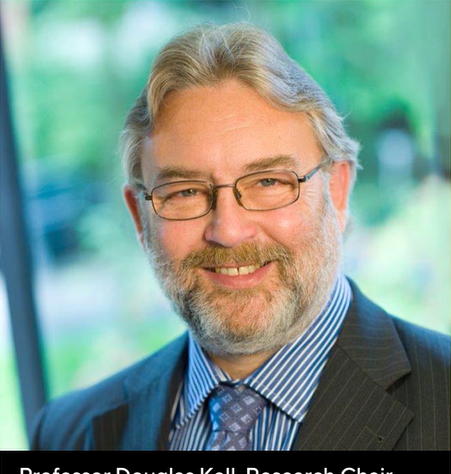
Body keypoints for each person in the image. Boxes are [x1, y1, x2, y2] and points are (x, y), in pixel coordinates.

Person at [32, 23, 449, 451]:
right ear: (140, 217)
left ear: (338, 190)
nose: (229, 232)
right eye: (185, 192)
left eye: (269, 182)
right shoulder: (67, 435)